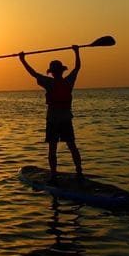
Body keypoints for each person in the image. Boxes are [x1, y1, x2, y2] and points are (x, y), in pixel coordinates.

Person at [19, 45, 84, 184]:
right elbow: (77, 67)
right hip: (66, 120)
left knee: (53, 148)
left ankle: (54, 175)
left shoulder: (49, 83)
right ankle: (79, 172)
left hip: (54, 121)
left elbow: (33, 73)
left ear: (52, 72)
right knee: (72, 146)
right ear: (61, 71)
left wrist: (22, 60)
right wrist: (76, 52)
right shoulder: (68, 81)